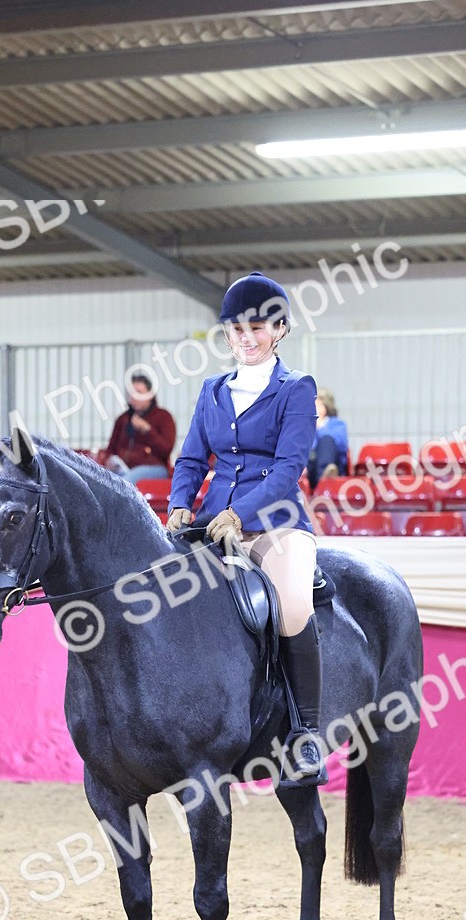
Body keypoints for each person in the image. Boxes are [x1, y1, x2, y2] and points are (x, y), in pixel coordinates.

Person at [166, 271, 327, 787]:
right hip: (214, 526)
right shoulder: (212, 391)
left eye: (258, 328)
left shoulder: (296, 388)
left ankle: (306, 734)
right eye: (236, 329)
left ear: (279, 330)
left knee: (294, 607)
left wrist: (241, 514)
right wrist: (177, 505)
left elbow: (287, 471)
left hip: (276, 526)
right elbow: (191, 459)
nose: (246, 338)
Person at [104, 373, 176, 484]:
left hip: (153, 467)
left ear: (150, 395)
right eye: (132, 393)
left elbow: (166, 449)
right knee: (104, 482)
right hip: (124, 468)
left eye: (139, 393)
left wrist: (147, 430)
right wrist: (109, 460)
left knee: (125, 483)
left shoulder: (163, 416)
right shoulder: (123, 419)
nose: (134, 397)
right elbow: (110, 449)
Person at [307, 388, 350, 487]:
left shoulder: (337, 424)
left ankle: (325, 478)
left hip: (334, 463)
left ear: (326, 407)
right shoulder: (306, 426)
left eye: (317, 405)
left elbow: (342, 446)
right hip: (311, 466)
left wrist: (320, 427)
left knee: (326, 440)